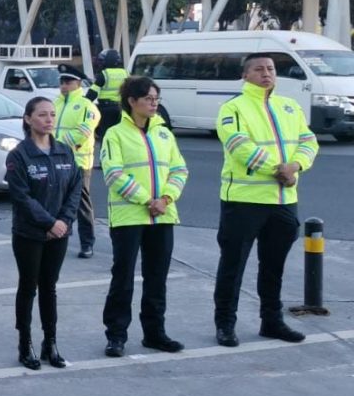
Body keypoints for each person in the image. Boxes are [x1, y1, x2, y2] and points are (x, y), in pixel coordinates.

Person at [213, 54, 318, 347]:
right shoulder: (232, 108)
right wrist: (278, 168)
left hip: (283, 200)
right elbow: (237, 145)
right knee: (233, 267)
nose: (266, 73)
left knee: (273, 268)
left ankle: (271, 321)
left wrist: (296, 166)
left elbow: (309, 141)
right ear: (245, 75)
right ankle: (225, 324)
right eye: (259, 69)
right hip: (244, 201)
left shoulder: (289, 106)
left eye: (270, 69)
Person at [100, 77, 189, 358]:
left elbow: (179, 170)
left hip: (162, 217)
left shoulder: (164, 134)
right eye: (149, 98)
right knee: (123, 278)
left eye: (156, 99)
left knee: (156, 278)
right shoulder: (115, 134)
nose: (154, 104)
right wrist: (146, 200)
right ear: (132, 101)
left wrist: (165, 199)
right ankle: (116, 335)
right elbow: (113, 174)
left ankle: (155, 333)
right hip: (129, 217)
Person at [5, 97, 83, 370]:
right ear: (28, 119)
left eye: (52, 115)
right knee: (29, 286)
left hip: (59, 233)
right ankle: (24, 343)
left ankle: (50, 342)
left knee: (49, 287)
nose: (48, 119)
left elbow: (75, 189)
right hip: (30, 233)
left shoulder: (64, 151)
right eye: (42, 115)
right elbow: (21, 197)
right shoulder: (18, 155)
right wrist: (49, 222)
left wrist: (63, 221)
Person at [52, 65, 101, 258]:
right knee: (57, 202)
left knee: (81, 204)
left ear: (78, 83)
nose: (64, 86)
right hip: (56, 161)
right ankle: (59, 238)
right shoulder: (55, 103)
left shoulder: (87, 106)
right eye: (62, 82)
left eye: (68, 82)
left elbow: (83, 132)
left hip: (79, 164)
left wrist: (56, 144)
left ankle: (87, 243)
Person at [87, 49, 128, 140]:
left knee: (106, 137)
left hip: (106, 110)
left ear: (108, 61)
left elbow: (92, 93)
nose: (100, 63)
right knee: (120, 136)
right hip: (122, 109)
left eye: (102, 61)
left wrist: (84, 102)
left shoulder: (104, 74)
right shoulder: (126, 73)